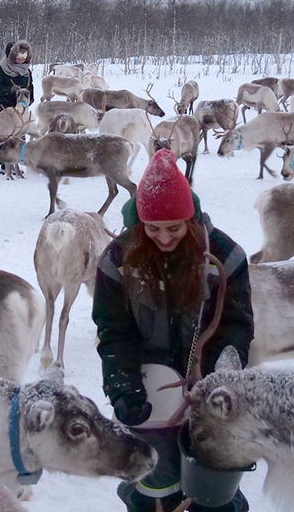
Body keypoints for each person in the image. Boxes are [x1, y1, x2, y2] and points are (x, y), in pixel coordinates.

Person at [92, 149, 253, 512]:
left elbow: (236, 326)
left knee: (212, 491)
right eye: (153, 229)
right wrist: (122, 384)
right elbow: (114, 329)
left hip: (208, 387)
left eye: (175, 228)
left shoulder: (225, 257)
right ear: (140, 224)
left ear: (191, 219)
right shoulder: (118, 260)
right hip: (150, 386)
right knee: (151, 486)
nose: (164, 238)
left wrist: (221, 380)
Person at [0, 40, 34, 112]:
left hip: (22, 110)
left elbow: (30, 87)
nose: (21, 61)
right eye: (18, 59)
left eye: (23, 59)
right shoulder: (0, 70)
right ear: (11, 57)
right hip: (4, 109)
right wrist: (10, 90)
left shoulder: (26, 71)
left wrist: (28, 98)